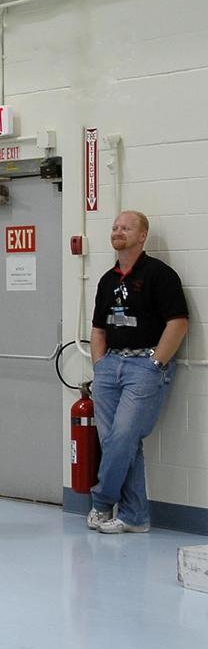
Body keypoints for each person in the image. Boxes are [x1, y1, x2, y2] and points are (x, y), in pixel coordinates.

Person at [87, 210, 188, 534]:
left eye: (126, 227)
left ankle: (102, 502)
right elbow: (98, 328)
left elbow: (178, 323)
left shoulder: (160, 275)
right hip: (109, 368)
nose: (118, 231)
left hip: (143, 367)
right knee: (118, 441)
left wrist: (156, 363)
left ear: (142, 236)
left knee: (123, 437)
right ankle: (134, 516)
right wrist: (100, 364)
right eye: (115, 227)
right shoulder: (107, 280)